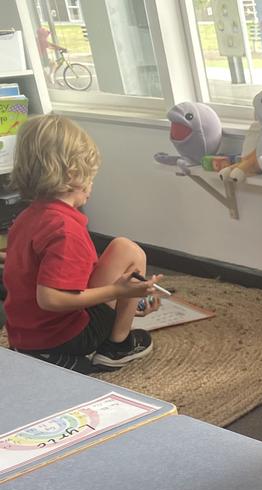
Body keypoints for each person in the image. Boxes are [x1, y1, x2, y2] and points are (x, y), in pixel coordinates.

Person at [2, 114, 161, 373]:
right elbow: (51, 298)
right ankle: (117, 347)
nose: (92, 182)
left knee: (118, 255)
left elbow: (47, 274)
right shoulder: (65, 229)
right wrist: (118, 292)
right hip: (63, 335)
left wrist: (129, 303)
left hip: (25, 333)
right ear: (74, 174)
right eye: (91, 174)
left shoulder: (28, 217)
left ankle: (42, 354)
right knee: (128, 250)